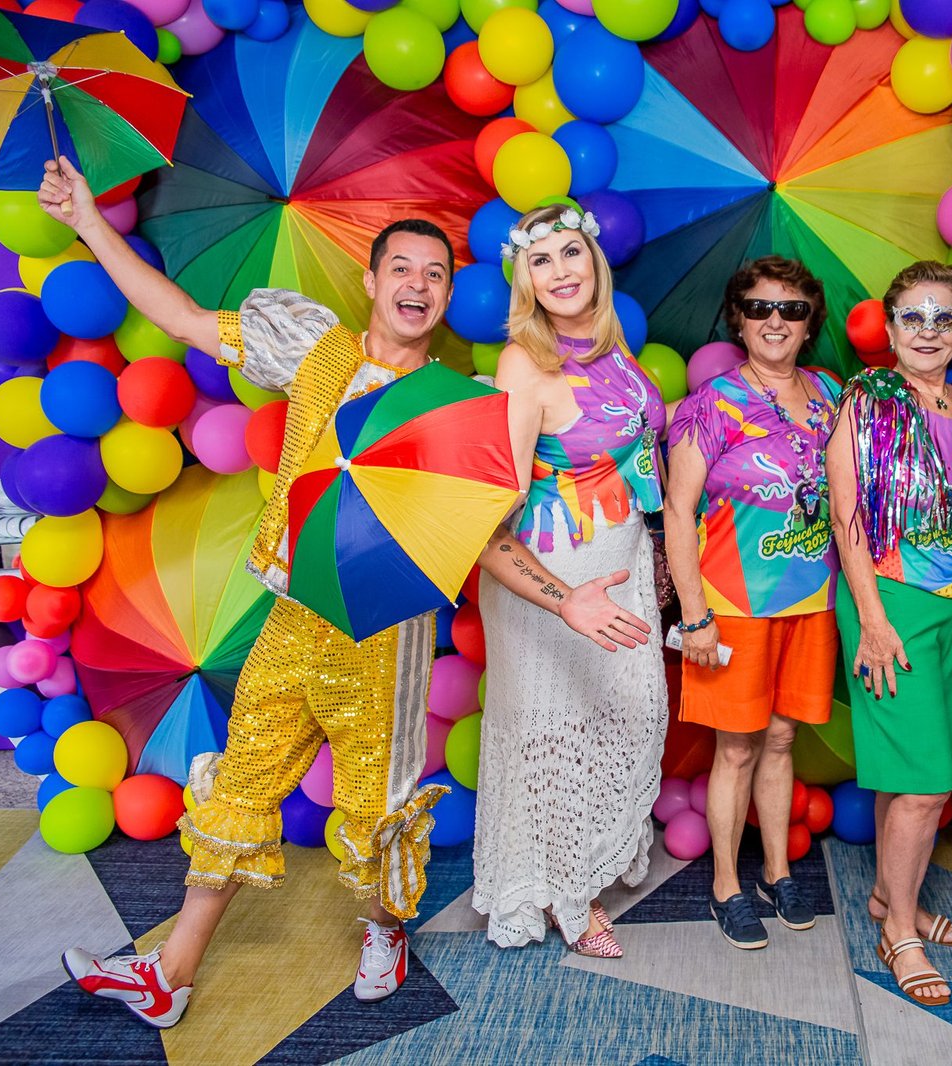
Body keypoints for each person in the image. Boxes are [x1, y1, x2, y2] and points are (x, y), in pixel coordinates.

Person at [38, 158, 651, 1028]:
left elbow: (488, 532)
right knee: (242, 782)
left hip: (389, 639)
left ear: (448, 298)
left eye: (435, 275)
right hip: (295, 615)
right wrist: (89, 222)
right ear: (371, 281)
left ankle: (384, 929)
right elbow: (179, 317)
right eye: (402, 268)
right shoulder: (315, 349)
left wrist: (566, 600)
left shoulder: (454, 405)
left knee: (377, 808)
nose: (418, 285)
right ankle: (170, 974)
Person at [472, 203, 668, 958]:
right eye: (541, 259)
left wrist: (657, 553)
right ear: (524, 278)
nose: (559, 271)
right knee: (552, 731)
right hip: (556, 579)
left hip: (621, 563)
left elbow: (634, 458)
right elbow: (490, 517)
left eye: (570, 252)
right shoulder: (525, 363)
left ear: (595, 260)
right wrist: (562, 600)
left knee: (626, 714)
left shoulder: (613, 346)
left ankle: (581, 864)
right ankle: (562, 895)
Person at [825, 261, 952, 1008]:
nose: (929, 331)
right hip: (894, 603)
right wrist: (873, 621)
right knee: (924, 786)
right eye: (914, 316)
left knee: (919, 780)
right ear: (890, 325)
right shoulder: (867, 399)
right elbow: (847, 517)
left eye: (944, 318)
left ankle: (887, 895)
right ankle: (900, 932)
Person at [665, 256, 842, 950]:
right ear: (737, 320)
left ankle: (777, 870)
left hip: (813, 600)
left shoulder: (831, 394)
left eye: (791, 309)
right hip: (733, 603)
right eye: (759, 307)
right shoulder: (712, 403)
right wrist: (695, 615)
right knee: (736, 749)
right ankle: (725, 885)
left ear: (809, 324)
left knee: (783, 739)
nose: (775, 320)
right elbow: (677, 512)